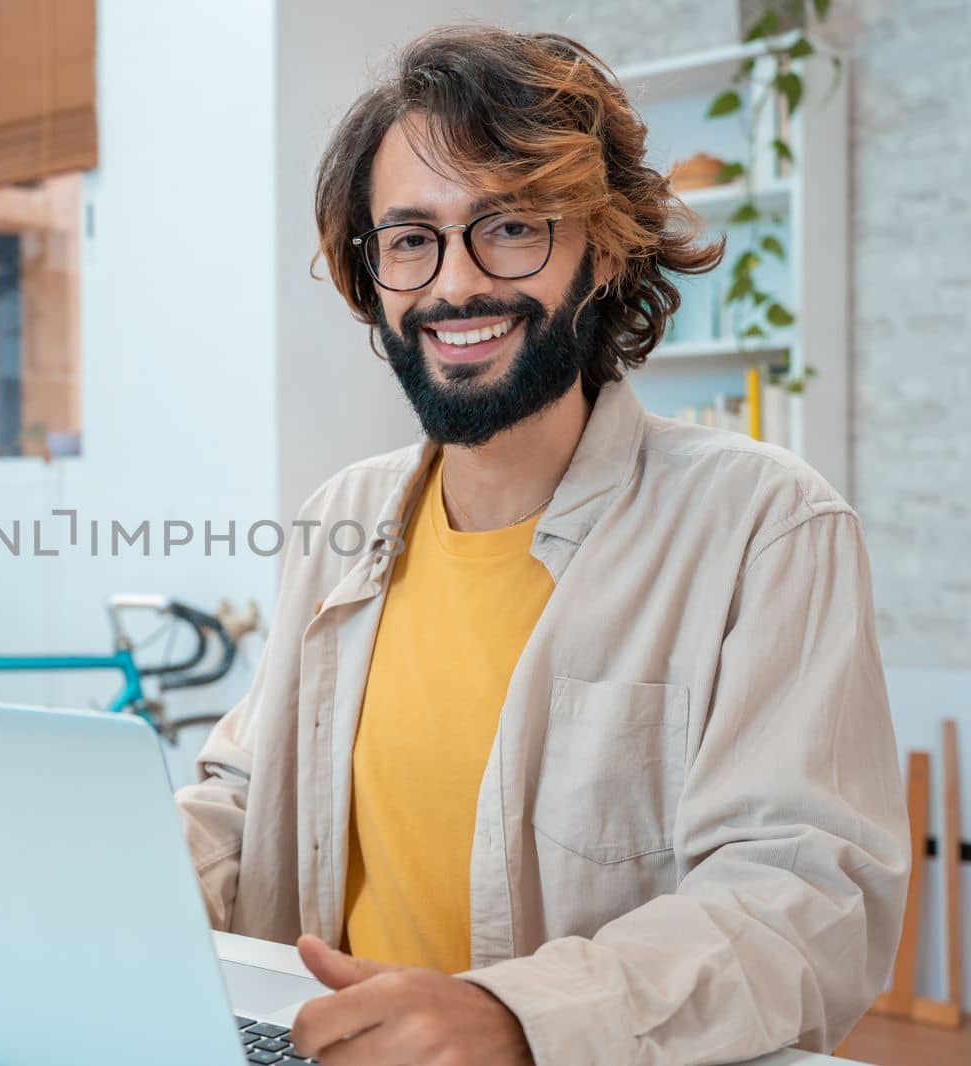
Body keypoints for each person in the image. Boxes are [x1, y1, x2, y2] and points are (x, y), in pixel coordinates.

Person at [175, 26, 909, 1066]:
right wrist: (101, 874)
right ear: (372, 274)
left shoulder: (763, 526)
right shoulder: (339, 518)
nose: (453, 285)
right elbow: (248, 801)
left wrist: (520, 1017)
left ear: (602, 248)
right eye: (409, 239)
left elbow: (803, 899)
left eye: (509, 226)